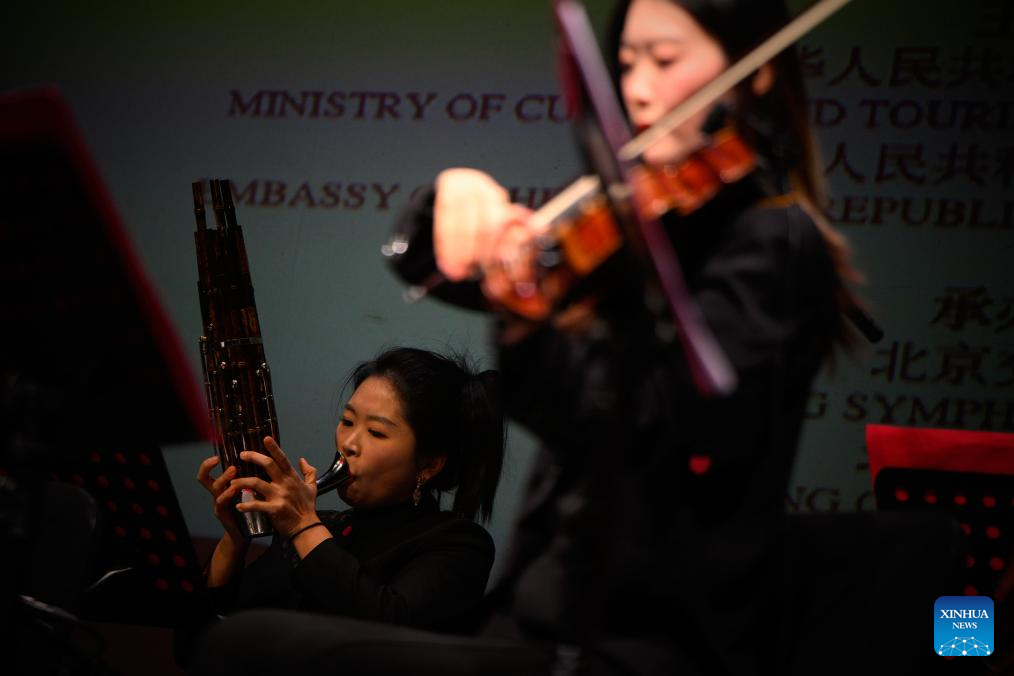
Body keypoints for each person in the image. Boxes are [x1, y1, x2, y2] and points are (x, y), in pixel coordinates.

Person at [190, 1, 960, 674]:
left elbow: (653, 428)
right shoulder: (638, 225)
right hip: (550, 621)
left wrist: (532, 314)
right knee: (237, 643)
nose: (637, 88)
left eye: (665, 59)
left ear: (753, 74)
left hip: (648, 635)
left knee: (245, 649)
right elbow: (435, 266)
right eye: (625, 62)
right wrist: (451, 201)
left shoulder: (773, 244)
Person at [179, 347, 505, 664]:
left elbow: (383, 635)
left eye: (376, 432)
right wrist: (233, 542)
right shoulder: (321, 528)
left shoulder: (459, 545)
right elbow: (195, 650)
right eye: (347, 421)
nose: (348, 443)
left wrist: (302, 526)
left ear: (430, 464)